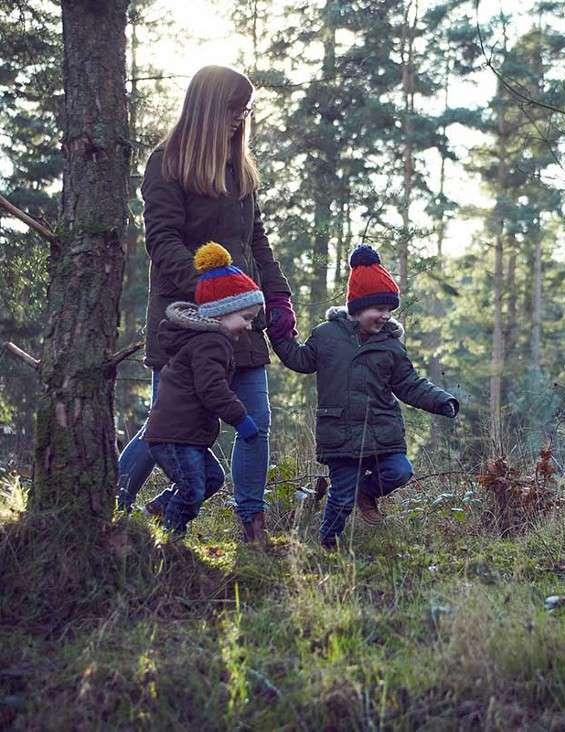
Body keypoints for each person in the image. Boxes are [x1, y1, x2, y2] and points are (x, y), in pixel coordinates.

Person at [118, 65, 295, 544]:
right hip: (187, 324)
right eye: (233, 110)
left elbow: (258, 241)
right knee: (168, 426)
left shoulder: (242, 171)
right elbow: (163, 240)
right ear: (208, 108)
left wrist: (277, 297)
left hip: (242, 323)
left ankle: (252, 523)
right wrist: (211, 287)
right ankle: (114, 504)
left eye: (246, 111)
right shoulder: (167, 163)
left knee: (255, 420)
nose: (240, 119)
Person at [271, 245, 458, 548]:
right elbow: (300, 360)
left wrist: (439, 400)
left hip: (381, 432)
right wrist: (280, 335)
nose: (385, 316)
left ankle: (367, 492)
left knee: (400, 471)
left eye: (389, 309)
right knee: (341, 496)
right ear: (357, 308)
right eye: (379, 309)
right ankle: (328, 544)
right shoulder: (326, 336)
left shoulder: (390, 346)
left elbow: (409, 383)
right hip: (340, 435)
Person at [143, 243, 263, 538]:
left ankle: (162, 508)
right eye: (246, 318)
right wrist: (240, 419)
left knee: (212, 479)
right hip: (174, 435)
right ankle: (171, 539)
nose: (249, 326)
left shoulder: (209, 340)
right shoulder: (210, 343)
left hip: (186, 435)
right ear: (222, 312)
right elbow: (212, 389)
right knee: (194, 488)